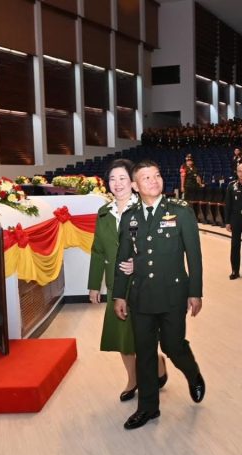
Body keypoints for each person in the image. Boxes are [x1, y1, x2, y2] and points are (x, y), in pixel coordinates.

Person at [113, 160, 205, 430]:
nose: (154, 181)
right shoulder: (130, 218)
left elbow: (194, 256)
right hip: (141, 295)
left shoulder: (180, 212)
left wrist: (195, 292)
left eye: (157, 175)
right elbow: (123, 258)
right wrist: (119, 294)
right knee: (145, 352)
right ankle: (148, 407)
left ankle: (193, 373)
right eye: (146, 178)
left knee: (172, 346)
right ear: (135, 186)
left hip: (173, 293)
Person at [88, 159, 167, 402]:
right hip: (117, 285)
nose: (117, 183)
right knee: (122, 337)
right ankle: (133, 379)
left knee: (144, 336)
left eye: (122, 178)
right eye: (112, 179)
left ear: (132, 182)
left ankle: (157, 363)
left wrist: (139, 263)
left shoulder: (147, 209)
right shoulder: (104, 214)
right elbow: (98, 251)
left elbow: (161, 247)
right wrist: (94, 285)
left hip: (144, 284)